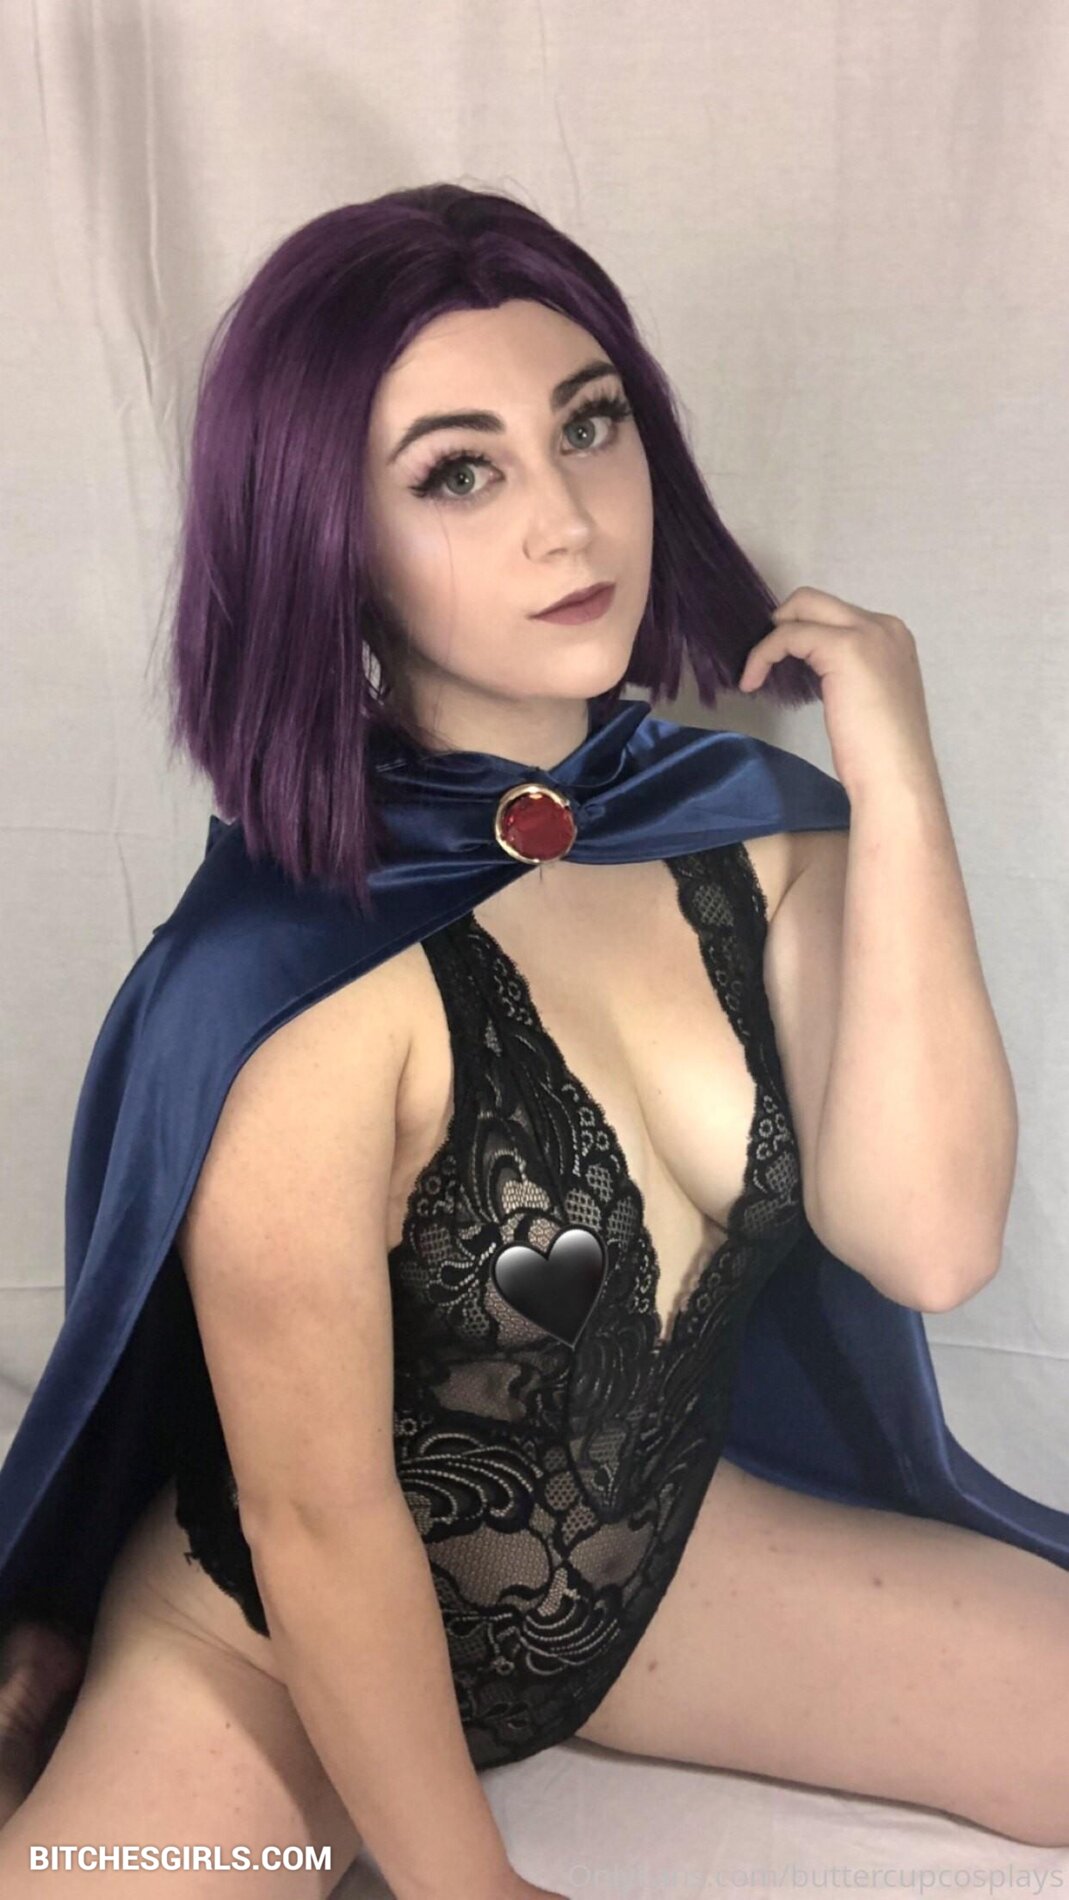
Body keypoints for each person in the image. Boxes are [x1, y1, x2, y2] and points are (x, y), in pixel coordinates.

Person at [1, 184, 1067, 1898]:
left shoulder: (747, 836)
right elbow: (316, 1519)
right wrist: (465, 1884)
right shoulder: (292, 979)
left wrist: (895, 765)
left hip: (640, 1580)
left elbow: (926, 1244)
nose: (567, 521)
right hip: (279, 1646)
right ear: (324, 537)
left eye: (588, 425)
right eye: (457, 472)